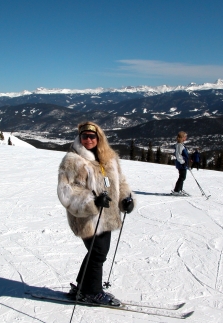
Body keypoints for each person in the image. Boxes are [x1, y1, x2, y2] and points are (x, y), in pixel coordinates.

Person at [57, 121, 135, 306]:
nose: (88, 139)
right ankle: (92, 292)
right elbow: (66, 191)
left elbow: (120, 182)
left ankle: (83, 286)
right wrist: (91, 202)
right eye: (85, 136)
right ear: (79, 138)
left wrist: (125, 199)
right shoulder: (72, 160)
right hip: (87, 217)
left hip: (107, 216)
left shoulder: (108, 158)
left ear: (98, 137)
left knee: (97, 252)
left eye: (92, 136)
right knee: (98, 252)